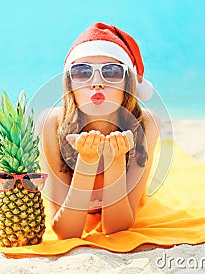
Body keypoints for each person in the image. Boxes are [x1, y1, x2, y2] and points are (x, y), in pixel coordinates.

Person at [37, 22, 160, 240]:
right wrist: (87, 161)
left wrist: (115, 160)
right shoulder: (52, 123)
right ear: (70, 85)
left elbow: (115, 228)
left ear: (128, 83)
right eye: (82, 72)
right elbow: (66, 232)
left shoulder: (147, 123)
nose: (96, 83)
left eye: (111, 72)